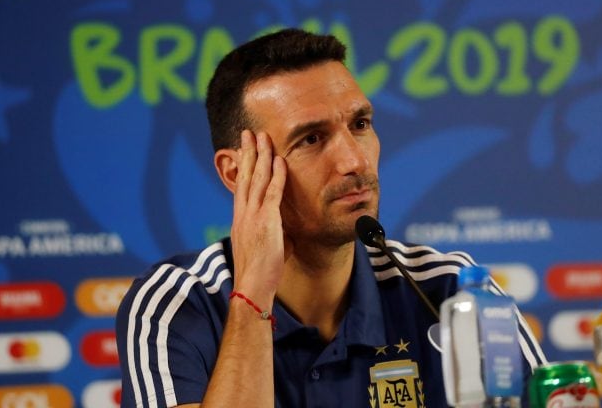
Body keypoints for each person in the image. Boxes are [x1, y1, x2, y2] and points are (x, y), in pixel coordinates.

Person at [116, 29, 546, 408]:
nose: (355, 161)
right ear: (237, 172)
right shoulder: (176, 304)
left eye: (360, 124)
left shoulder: (451, 290)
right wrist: (252, 297)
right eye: (312, 138)